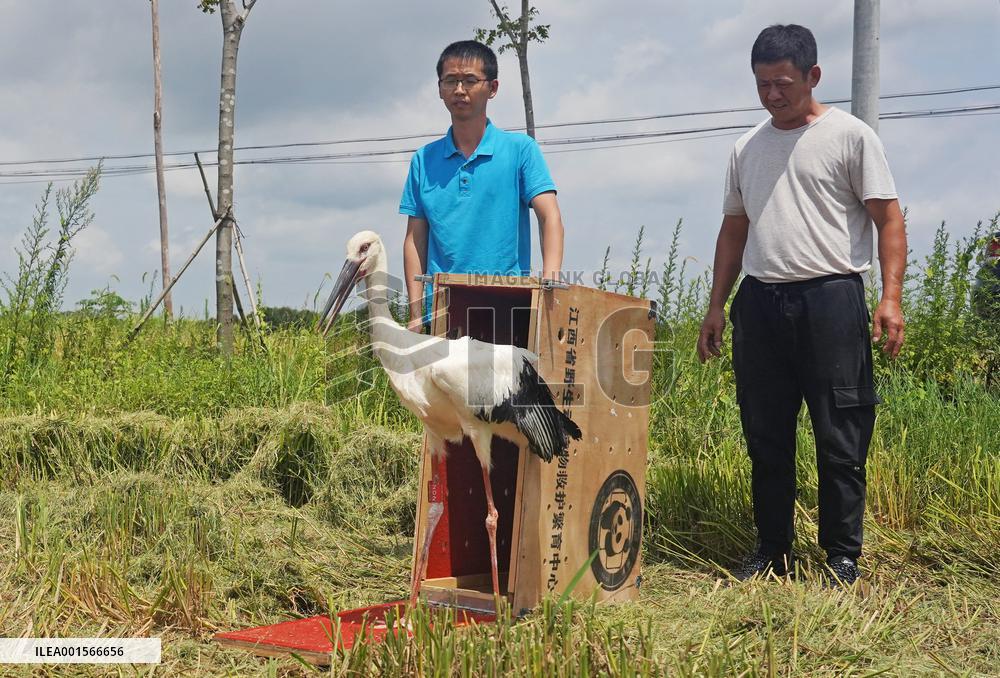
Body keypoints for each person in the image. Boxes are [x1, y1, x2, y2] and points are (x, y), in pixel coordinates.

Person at [696, 24, 907, 585]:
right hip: (760, 303)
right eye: (762, 85)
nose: (772, 96)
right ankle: (772, 550)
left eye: (783, 83)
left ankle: (842, 556)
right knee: (765, 435)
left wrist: (890, 298)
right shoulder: (746, 147)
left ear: (813, 76)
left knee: (840, 433)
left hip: (831, 299)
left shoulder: (851, 137)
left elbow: (889, 220)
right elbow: (733, 231)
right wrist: (716, 306)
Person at [400, 40, 565, 331]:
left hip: (508, 303)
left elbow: (549, 216)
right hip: (443, 310)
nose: (460, 89)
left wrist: (549, 288)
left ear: (492, 87)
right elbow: (415, 239)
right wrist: (416, 314)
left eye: (470, 80)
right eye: (451, 81)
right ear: (440, 89)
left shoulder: (520, 150)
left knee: (505, 379)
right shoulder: (423, 160)